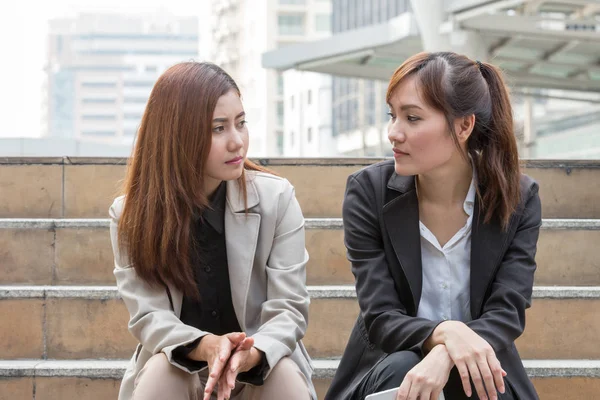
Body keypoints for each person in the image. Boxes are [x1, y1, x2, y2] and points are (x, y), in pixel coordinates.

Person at [326, 52, 542, 400]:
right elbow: (381, 316)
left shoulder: (518, 197)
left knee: (480, 373)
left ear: (463, 126)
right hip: (386, 364)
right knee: (404, 370)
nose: (394, 133)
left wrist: (447, 348)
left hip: (481, 363)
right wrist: (444, 334)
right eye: (392, 116)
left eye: (412, 118)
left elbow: (507, 311)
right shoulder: (369, 192)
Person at [108, 61, 315, 400]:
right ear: (177, 134)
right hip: (182, 366)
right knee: (162, 373)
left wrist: (252, 353)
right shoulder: (130, 215)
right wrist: (206, 346)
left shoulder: (277, 199)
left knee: (284, 376)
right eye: (219, 128)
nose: (237, 142)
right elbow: (149, 315)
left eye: (241, 123)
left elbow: (288, 308)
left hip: (258, 369)